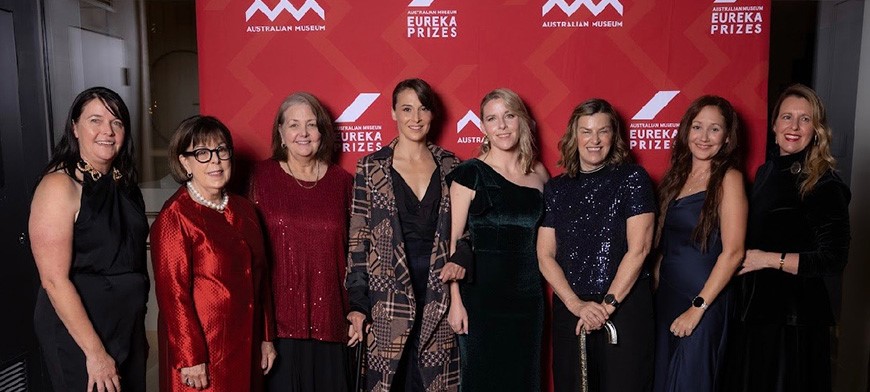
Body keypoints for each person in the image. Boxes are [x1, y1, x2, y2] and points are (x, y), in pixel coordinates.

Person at [726, 84, 851, 392]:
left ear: (817, 129)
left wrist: (766, 259)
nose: (794, 127)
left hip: (794, 322)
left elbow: (833, 260)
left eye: (805, 119)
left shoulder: (824, 183)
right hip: (756, 312)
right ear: (774, 124)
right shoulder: (768, 172)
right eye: (786, 117)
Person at [30, 87, 149, 392]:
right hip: (80, 333)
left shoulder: (124, 184)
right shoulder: (59, 185)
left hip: (127, 327)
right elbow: (54, 280)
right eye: (95, 120)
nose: (107, 131)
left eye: (117, 123)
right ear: (75, 127)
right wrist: (95, 353)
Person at [345, 78, 460, 391]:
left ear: (433, 114)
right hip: (388, 298)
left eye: (423, 109)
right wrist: (358, 302)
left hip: (441, 293)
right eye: (407, 109)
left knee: (434, 383)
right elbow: (358, 241)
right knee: (391, 383)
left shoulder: (452, 166)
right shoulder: (371, 168)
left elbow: (465, 233)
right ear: (393, 113)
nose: (416, 118)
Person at [537, 98, 656, 392]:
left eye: (602, 131)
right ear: (574, 136)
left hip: (623, 305)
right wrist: (576, 304)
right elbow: (545, 254)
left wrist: (606, 306)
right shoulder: (556, 188)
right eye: (586, 131)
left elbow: (639, 249)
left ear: (613, 135)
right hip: (571, 306)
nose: (594, 140)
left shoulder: (632, 178)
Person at [150, 115, 276, 391]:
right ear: (185, 162)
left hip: (246, 343)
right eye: (202, 153)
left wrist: (266, 337)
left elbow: (262, 278)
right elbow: (173, 297)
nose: (215, 161)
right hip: (204, 352)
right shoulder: (175, 217)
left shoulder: (246, 210)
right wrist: (190, 356)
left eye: (221, 150)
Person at [445, 88, 548, 391]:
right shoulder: (469, 173)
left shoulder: (539, 174)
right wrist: (456, 303)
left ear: (522, 121)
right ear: (483, 128)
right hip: (480, 298)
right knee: (482, 380)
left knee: (524, 379)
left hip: (529, 297)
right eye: (492, 119)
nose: (502, 126)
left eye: (509, 116)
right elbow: (452, 244)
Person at [249, 92, 353, 392]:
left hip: (333, 321)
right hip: (278, 329)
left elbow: (358, 253)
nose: (303, 133)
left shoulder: (343, 183)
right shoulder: (259, 178)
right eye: (294, 125)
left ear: (322, 131)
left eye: (311, 124)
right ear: (280, 133)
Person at [652, 96, 747, 391]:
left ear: (727, 136)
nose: (704, 137)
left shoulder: (729, 179)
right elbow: (665, 246)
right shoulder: (675, 178)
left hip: (705, 300)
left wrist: (698, 307)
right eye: (697, 127)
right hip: (667, 297)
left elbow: (733, 252)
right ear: (686, 131)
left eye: (714, 129)